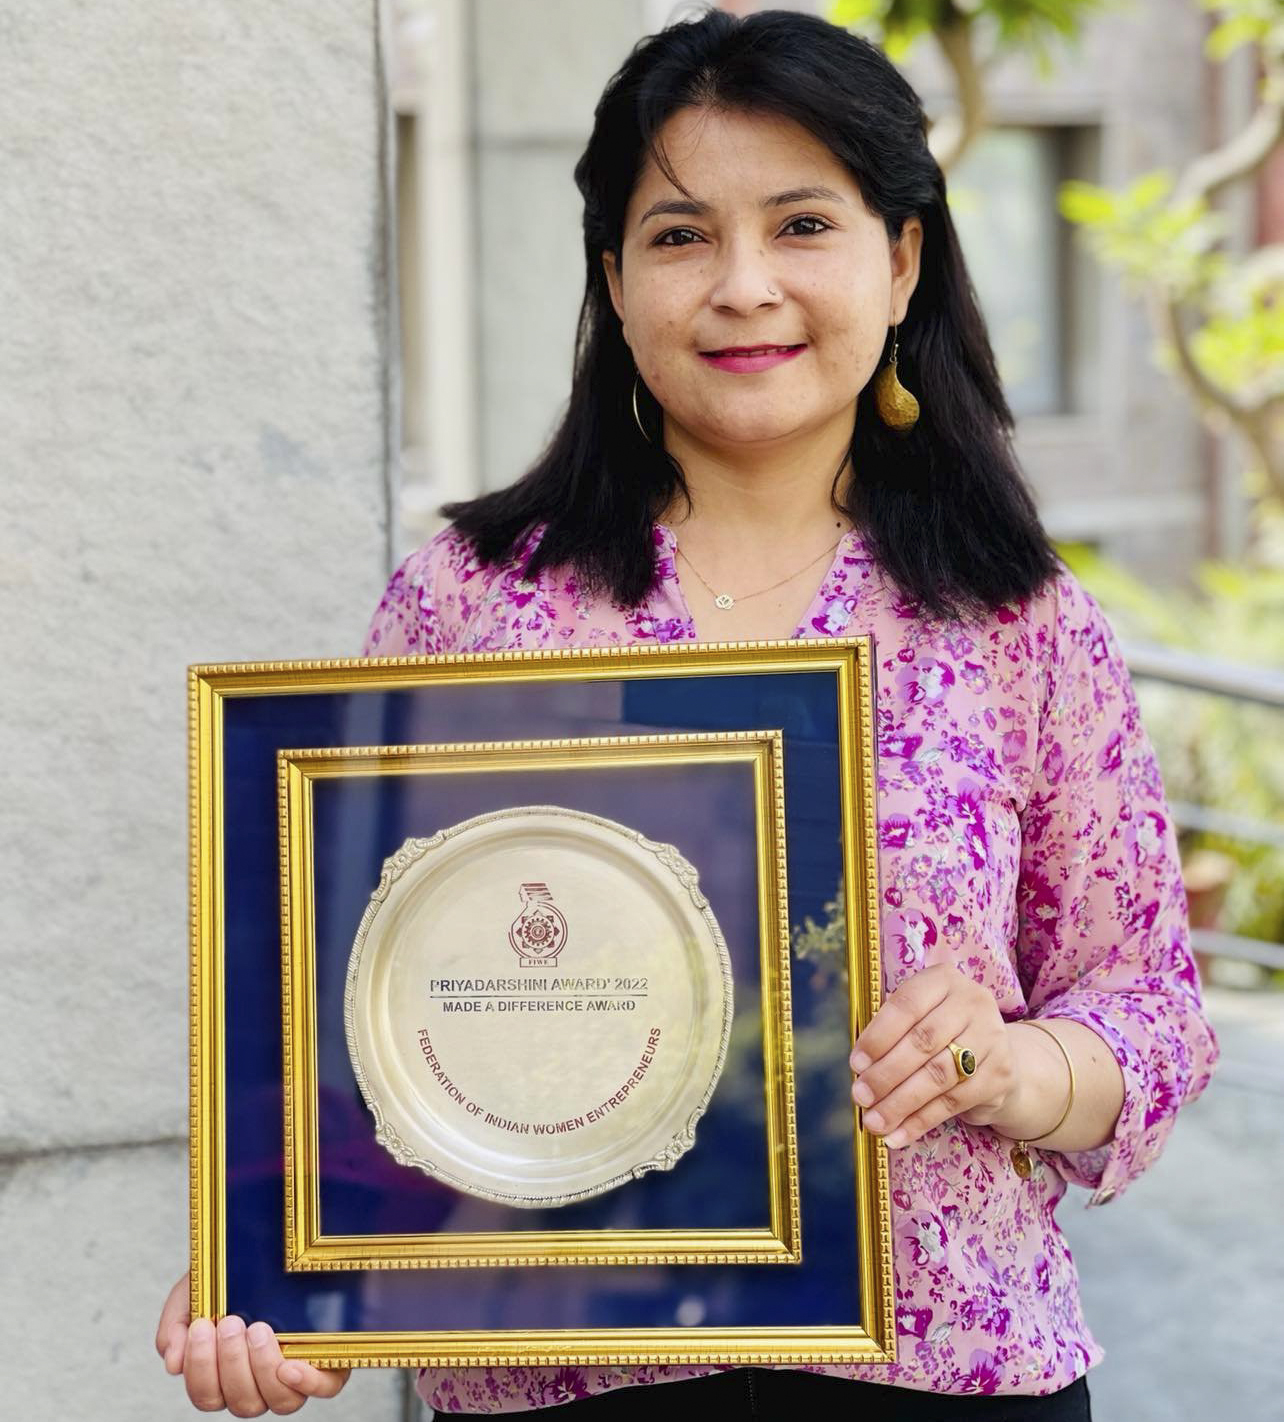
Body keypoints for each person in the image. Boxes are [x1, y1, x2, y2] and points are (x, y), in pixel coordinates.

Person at [156, 7, 1220, 1418]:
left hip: (950, 1370)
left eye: (800, 226)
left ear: (900, 261)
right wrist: (293, 1272)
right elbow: (367, 1014)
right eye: (678, 235)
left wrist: (1011, 1063)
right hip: (563, 1376)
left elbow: (1148, 1001)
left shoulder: (1013, 616)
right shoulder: (470, 609)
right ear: (612, 275)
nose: (742, 287)